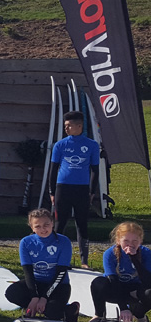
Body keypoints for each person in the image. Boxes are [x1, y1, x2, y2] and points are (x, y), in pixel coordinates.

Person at [5, 208, 79, 322]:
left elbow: (60, 273)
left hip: (58, 285)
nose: (43, 229)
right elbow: (28, 272)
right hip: (37, 282)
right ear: (32, 227)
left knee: (51, 311)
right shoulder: (26, 242)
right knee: (11, 293)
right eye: (37, 226)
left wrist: (44, 297)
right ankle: (33, 307)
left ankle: (71, 310)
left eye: (46, 225)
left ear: (52, 224)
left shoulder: (63, 242)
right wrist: (34, 296)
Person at [50, 110, 100, 268]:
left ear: (79, 126)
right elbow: (53, 170)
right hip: (63, 188)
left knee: (82, 223)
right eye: (65, 126)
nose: (66, 128)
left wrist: (92, 191)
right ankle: (56, 258)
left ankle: (84, 261)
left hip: (82, 189)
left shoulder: (91, 145)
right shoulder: (60, 145)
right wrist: (52, 192)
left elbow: (95, 170)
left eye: (69, 126)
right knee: (60, 223)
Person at [90, 221, 151, 322]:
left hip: (134, 290)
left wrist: (134, 258)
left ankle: (139, 314)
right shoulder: (110, 253)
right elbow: (112, 279)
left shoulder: (146, 253)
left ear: (140, 241)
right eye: (126, 241)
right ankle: (99, 314)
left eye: (135, 241)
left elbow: (147, 281)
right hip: (114, 288)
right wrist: (123, 308)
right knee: (98, 283)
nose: (130, 244)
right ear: (118, 241)